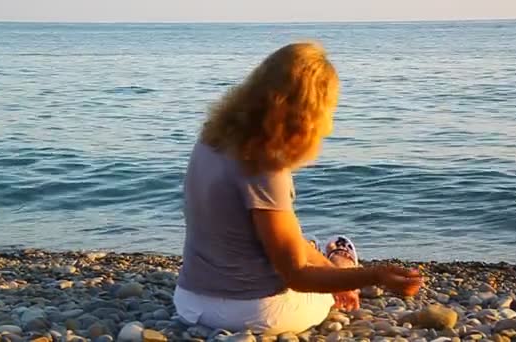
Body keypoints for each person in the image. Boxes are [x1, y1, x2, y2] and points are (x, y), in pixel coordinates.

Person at [174, 42, 423, 335]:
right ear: (309, 112)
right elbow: (297, 276)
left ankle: (332, 261)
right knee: (310, 263)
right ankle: (343, 264)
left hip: (189, 301)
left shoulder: (211, 136)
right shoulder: (264, 164)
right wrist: (376, 276)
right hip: (253, 311)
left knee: (300, 244)